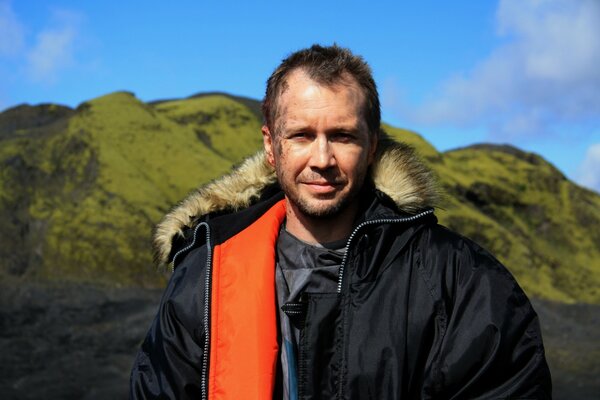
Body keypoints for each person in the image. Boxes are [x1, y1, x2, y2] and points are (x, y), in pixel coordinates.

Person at [130, 44, 552, 399]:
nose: (322, 159)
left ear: (371, 145)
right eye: (301, 135)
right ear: (270, 146)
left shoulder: (461, 281)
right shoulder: (206, 273)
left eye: (342, 136)